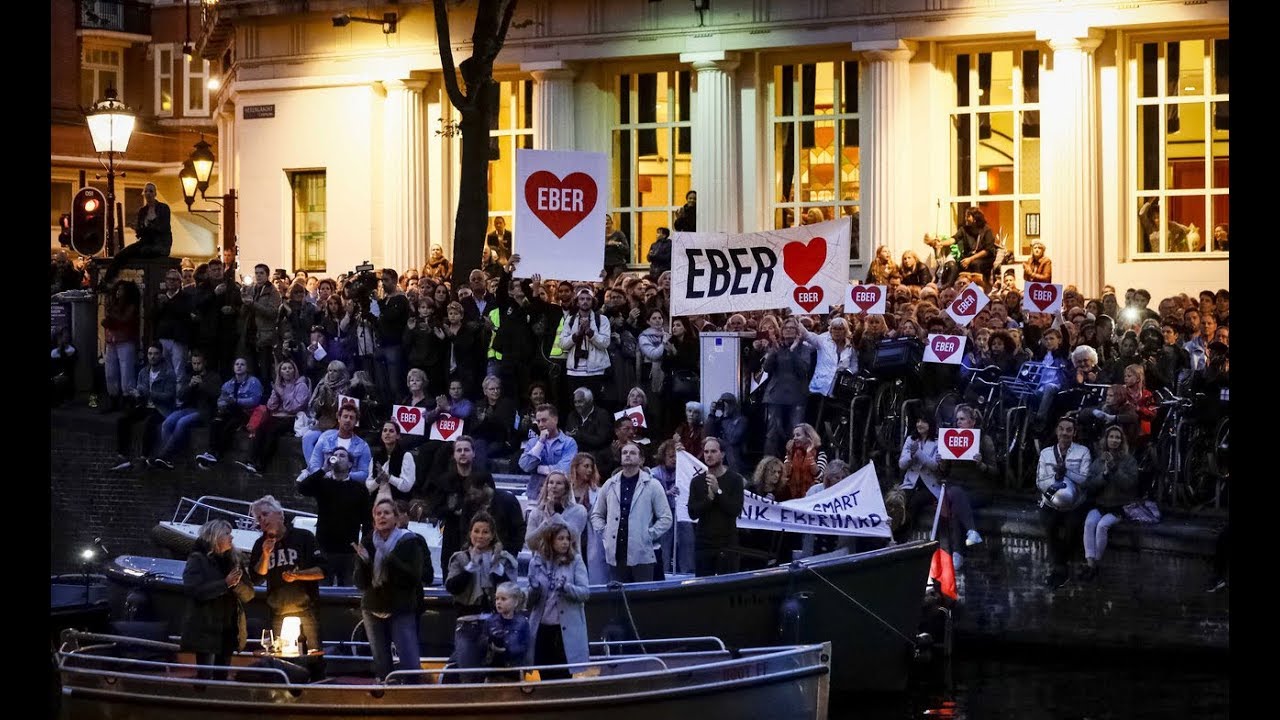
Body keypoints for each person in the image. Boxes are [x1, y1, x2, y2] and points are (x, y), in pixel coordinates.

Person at [354, 498, 425, 681]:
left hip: (400, 607)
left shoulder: (409, 541)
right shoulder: (368, 541)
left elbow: (414, 577)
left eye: (386, 513)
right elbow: (360, 583)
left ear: (396, 518)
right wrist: (364, 563)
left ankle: (413, 698)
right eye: (378, 513)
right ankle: (386, 697)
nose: (382, 516)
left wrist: (390, 558)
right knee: (381, 664)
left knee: (410, 665)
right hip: (372, 607)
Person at [590, 441, 674, 583]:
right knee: (619, 598)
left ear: (641, 459)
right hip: (616, 554)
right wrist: (605, 531)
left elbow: (666, 518)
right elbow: (597, 514)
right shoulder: (610, 484)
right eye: (624, 453)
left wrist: (648, 535)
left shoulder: (652, 485)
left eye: (632, 453)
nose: (628, 455)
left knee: (643, 599)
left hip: (642, 554)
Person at [180, 519, 254, 677]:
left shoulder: (234, 560)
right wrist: (225, 584)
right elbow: (194, 590)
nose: (231, 538)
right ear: (215, 536)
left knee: (222, 675)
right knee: (205, 676)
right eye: (227, 534)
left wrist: (236, 585)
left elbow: (249, 594)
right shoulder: (198, 559)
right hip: (207, 628)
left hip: (228, 629)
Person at [249, 495, 326, 645]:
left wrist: (298, 575)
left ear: (280, 514)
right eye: (258, 518)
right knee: (282, 659)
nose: (262, 520)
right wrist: (265, 555)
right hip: (277, 613)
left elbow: (322, 570)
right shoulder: (260, 544)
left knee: (311, 657)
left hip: (306, 612)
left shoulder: (304, 537)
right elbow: (256, 578)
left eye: (265, 514)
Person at [526, 522, 591, 680]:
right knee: (543, 674)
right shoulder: (536, 562)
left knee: (563, 675)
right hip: (542, 629)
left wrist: (567, 588)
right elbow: (529, 603)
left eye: (567, 539)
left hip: (564, 630)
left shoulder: (575, 561)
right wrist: (533, 589)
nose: (565, 542)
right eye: (560, 538)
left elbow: (585, 593)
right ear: (550, 540)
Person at [297, 446, 368, 586]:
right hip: (324, 547)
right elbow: (302, 488)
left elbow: (366, 519)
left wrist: (364, 545)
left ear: (350, 464)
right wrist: (323, 469)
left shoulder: (359, 489)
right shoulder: (323, 484)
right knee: (322, 589)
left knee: (347, 590)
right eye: (335, 455)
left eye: (342, 456)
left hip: (348, 549)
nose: (337, 458)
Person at [1036, 416, 1092, 588]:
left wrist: (1066, 472)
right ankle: (1059, 568)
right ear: (1056, 431)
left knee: (1072, 527)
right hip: (1051, 502)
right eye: (1062, 429)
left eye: (1069, 430)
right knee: (1050, 526)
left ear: (1074, 433)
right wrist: (1055, 479)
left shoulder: (1083, 452)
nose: (1065, 433)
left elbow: (1085, 480)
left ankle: (1060, 567)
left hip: (1074, 503)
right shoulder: (1046, 453)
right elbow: (1039, 481)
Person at [1080, 425, 1140, 582]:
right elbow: (1089, 483)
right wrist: (1104, 475)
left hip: (1119, 506)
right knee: (1089, 523)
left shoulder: (1129, 461)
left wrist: (1115, 471)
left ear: (1122, 441)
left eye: (1117, 437)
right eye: (1111, 437)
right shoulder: (1099, 460)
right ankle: (1090, 563)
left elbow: (1130, 484)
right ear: (1106, 439)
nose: (1114, 440)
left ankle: (1093, 566)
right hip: (1100, 504)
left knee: (1102, 526)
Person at [111, 342, 177, 471]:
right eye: (150, 354)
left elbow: (169, 396)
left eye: (156, 354)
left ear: (161, 355)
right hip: (145, 405)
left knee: (150, 423)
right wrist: (137, 394)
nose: (152, 357)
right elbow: (141, 390)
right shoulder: (143, 372)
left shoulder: (169, 373)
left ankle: (143, 457)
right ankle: (122, 456)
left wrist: (149, 394)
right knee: (123, 420)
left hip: (162, 408)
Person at [239, 359, 311, 476]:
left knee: (273, 431)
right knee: (261, 427)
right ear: (280, 372)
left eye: (290, 368)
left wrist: (282, 393)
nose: (287, 371)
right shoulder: (279, 386)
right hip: (278, 416)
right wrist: (276, 392)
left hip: (293, 418)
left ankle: (261, 465)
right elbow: (270, 406)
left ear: (294, 370)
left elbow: (295, 407)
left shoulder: (301, 386)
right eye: (284, 369)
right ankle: (250, 461)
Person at [150, 350, 220, 469]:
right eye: (194, 363)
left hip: (204, 412)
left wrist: (202, 385)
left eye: (199, 363)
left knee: (181, 423)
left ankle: (165, 456)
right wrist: (190, 386)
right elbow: (180, 396)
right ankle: (169, 458)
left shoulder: (213, 376)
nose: (196, 366)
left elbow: (216, 394)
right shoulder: (189, 375)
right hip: (188, 408)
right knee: (167, 423)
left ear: (205, 363)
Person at [687, 437, 745, 577]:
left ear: (722, 454)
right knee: (703, 588)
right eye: (706, 451)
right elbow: (692, 513)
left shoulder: (735, 480)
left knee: (727, 587)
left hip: (727, 543)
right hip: (704, 544)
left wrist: (718, 491)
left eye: (713, 451)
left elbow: (735, 509)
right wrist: (709, 498)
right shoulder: (697, 481)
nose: (709, 455)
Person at [98, 182, 173, 289]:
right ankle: (107, 280)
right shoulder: (142, 211)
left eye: (151, 191)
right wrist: (139, 229)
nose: (148, 193)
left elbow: (162, 227)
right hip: (146, 241)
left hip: (160, 243)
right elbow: (140, 233)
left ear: (155, 193)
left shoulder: (163, 208)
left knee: (146, 251)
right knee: (122, 254)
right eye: (146, 191)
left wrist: (147, 228)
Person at [195, 357, 264, 469]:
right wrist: (224, 405)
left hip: (247, 412)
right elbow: (221, 400)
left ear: (247, 368)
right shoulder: (228, 384)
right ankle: (211, 453)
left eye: (242, 364)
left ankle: (217, 454)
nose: (239, 366)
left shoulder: (253, 382)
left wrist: (236, 401)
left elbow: (255, 400)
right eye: (237, 364)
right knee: (216, 422)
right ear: (233, 367)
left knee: (230, 424)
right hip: (229, 411)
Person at [445, 512, 519, 616]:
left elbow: (512, 591)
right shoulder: (460, 558)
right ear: (470, 533)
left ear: (492, 535)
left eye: (485, 532)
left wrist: (497, 567)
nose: (480, 536)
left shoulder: (504, 559)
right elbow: (452, 588)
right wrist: (471, 567)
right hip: (467, 616)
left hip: (497, 619)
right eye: (476, 531)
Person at [763, 319, 813, 459]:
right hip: (775, 395)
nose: (789, 330)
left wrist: (792, 350)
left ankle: (797, 463)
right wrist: (773, 349)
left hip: (796, 395)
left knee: (796, 430)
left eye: (792, 328)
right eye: (786, 328)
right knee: (772, 431)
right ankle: (768, 463)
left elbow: (804, 369)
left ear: (798, 331)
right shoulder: (777, 347)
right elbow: (767, 368)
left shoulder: (805, 348)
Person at [518, 403, 579, 499]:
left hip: (561, 497)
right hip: (535, 495)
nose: (541, 425)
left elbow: (564, 469)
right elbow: (525, 465)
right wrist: (540, 442)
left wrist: (537, 469)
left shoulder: (569, 443)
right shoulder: (533, 442)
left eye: (544, 420)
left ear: (555, 420)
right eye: (538, 421)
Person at [101, 280, 141, 412]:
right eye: (117, 290)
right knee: (110, 372)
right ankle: (113, 397)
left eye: (121, 290)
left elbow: (123, 319)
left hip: (125, 340)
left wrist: (110, 313)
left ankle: (128, 399)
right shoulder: (114, 304)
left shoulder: (130, 306)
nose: (118, 292)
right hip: (111, 341)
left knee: (126, 372)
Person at [525, 471, 589, 551]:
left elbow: (573, 535)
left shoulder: (578, 510)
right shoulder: (536, 512)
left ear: (566, 488)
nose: (554, 486)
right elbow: (530, 543)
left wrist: (553, 514)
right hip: (542, 561)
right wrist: (546, 524)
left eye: (559, 483)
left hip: (569, 561)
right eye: (551, 483)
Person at [483, 582, 530, 679]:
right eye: (496, 598)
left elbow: (525, 648)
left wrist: (507, 647)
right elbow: (483, 646)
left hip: (514, 672)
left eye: (503, 599)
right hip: (493, 671)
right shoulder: (490, 621)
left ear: (515, 602)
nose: (498, 602)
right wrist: (491, 645)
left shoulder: (522, 622)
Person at [781, 423, 827, 502]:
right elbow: (785, 476)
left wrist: (809, 455)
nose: (794, 438)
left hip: (813, 498)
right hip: (792, 498)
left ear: (808, 437)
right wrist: (788, 455)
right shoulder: (791, 453)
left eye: (798, 435)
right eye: (794, 435)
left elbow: (819, 477)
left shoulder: (820, 453)